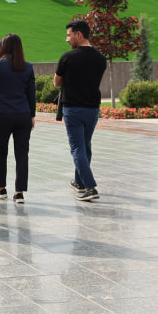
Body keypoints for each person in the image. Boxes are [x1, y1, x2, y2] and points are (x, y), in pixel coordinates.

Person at [54, 19, 107, 201]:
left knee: (77, 148)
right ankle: (79, 181)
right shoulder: (101, 59)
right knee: (86, 145)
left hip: (73, 109)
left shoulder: (67, 58)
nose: (67, 39)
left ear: (79, 34)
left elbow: (56, 82)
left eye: (69, 35)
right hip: (92, 109)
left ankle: (90, 186)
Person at [0, 33, 36, 204]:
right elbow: (31, 95)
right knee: (22, 154)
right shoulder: (28, 67)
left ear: (4, 48)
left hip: (3, 114)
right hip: (23, 115)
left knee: (1, 151)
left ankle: (1, 188)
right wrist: (32, 115)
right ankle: (19, 192)